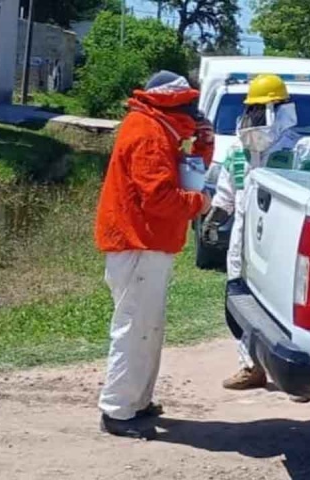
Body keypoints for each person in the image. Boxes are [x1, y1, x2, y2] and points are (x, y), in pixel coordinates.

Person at [95, 70, 214, 439]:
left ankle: (136, 402)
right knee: (134, 329)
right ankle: (117, 409)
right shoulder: (148, 133)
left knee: (148, 328)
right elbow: (160, 198)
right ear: (172, 101)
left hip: (147, 245)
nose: (194, 112)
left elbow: (183, 174)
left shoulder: (159, 128)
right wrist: (202, 202)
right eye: (190, 104)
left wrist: (202, 146)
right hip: (138, 245)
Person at [201, 74, 310, 393]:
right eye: (251, 110)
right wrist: (213, 219)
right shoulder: (239, 151)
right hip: (243, 244)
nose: (254, 118)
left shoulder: (302, 149)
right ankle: (250, 366)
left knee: (285, 312)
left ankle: (300, 377)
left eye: (261, 110)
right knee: (237, 304)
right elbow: (226, 193)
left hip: (283, 245)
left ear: (281, 110)